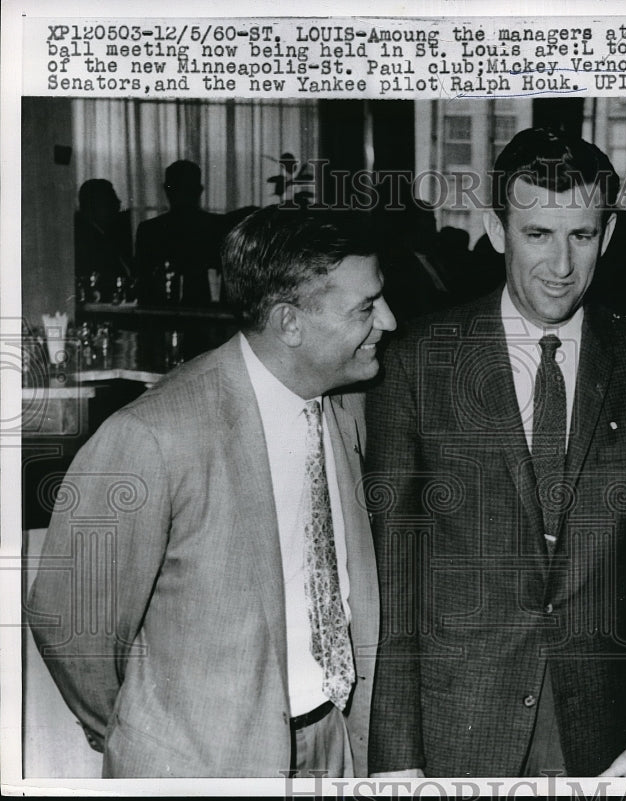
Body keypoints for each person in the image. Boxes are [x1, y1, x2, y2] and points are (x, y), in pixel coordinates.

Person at [365, 127, 626, 778]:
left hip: (601, 734)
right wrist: (395, 756)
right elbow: (394, 575)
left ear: (606, 236)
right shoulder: (416, 361)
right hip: (455, 724)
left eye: (581, 236)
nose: (560, 266)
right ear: (498, 231)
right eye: (537, 235)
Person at [27, 206, 396, 778]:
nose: (389, 322)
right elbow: (69, 620)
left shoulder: (343, 403)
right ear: (289, 322)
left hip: (335, 744)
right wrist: (147, 736)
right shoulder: (151, 435)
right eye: (366, 308)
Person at [134, 159, 225, 305]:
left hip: (160, 316)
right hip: (207, 316)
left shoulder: (149, 230)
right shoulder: (218, 226)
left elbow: (143, 285)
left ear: (166, 190)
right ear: (199, 190)